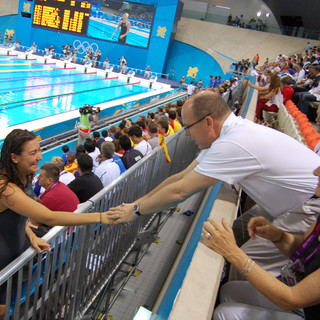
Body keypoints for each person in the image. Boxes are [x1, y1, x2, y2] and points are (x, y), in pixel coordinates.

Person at [106, 91, 319, 248]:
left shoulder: (233, 143)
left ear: (208, 122)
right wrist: (137, 202)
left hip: (308, 210)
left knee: (247, 264)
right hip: (294, 202)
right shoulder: (228, 134)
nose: (187, 134)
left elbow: (180, 192)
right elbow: (180, 178)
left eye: (188, 127)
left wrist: (135, 212)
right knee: (239, 230)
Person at [0, 130, 112, 319]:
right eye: (33, 153)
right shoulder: (5, 188)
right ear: (14, 158)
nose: (40, 157)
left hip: (16, 250)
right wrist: (100, 217)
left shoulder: (24, 175)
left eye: (39, 150)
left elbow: (19, 216)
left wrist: (32, 235)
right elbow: (50, 217)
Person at [204, 165, 320, 320]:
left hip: (301, 306)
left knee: (224, 314)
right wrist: (278, 236)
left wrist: (233, 252)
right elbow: (302, 250)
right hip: (303, 302)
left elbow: (292, 299)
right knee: (229, 291)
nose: (315, 172)